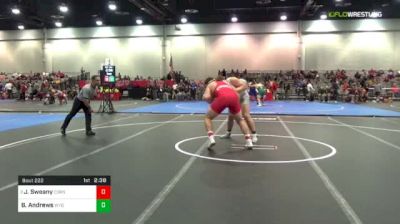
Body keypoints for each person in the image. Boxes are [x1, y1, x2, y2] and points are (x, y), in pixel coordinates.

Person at [203, 75, 253, 150]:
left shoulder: (211, 85)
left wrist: (211, 99)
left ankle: (211, 139)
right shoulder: (226, 82)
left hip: (223, 98)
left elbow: (206, 97)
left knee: (207, 117)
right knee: (240, 120)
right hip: (235, 97)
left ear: (207, 83)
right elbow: (235, 92)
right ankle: (249, 141)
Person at [220, 74, 258, 143]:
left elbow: (244, 87)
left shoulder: (231, 80)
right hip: (234, 97)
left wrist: (232, 89)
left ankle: (254, 135)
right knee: (230, 116)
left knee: (246, 115)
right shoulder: (221, 86)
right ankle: (228, 133)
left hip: (243, 96)